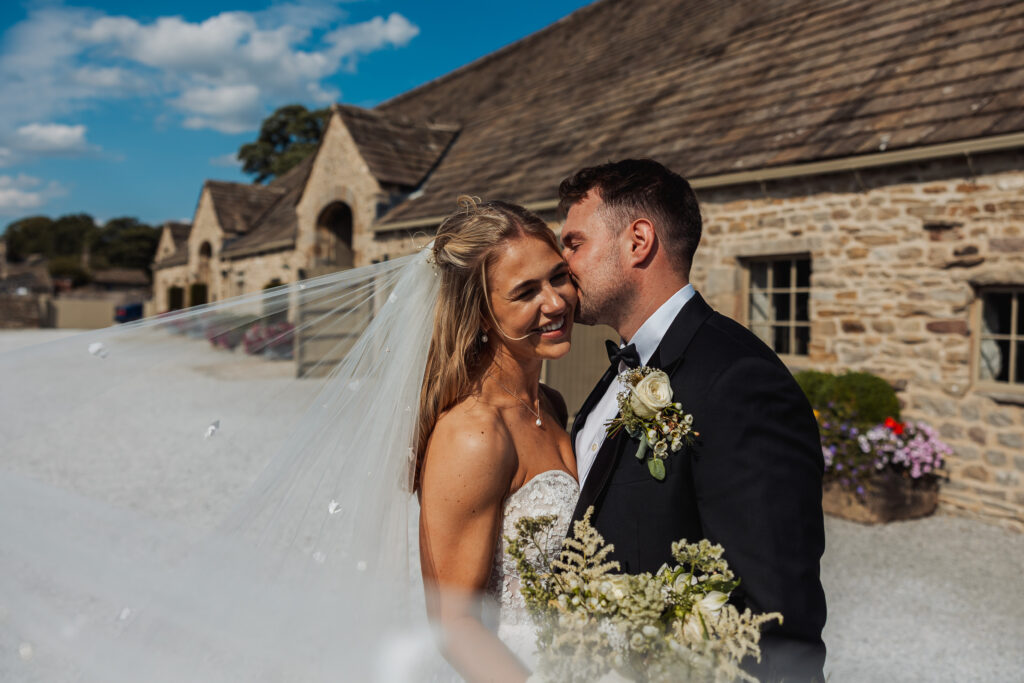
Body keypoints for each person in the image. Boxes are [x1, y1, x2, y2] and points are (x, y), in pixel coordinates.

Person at [559, 159, 827, 682]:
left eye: (574, 243)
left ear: (638, 240)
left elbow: (777, 616)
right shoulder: (620, 371)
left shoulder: (740, 379)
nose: (562, 263)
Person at [415, 197, 580, 681]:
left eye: (558, 277)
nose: (555, 303)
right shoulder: (475, 434)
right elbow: (454, 624)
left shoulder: (550, 404)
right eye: (525, 292)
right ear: (483, 315)